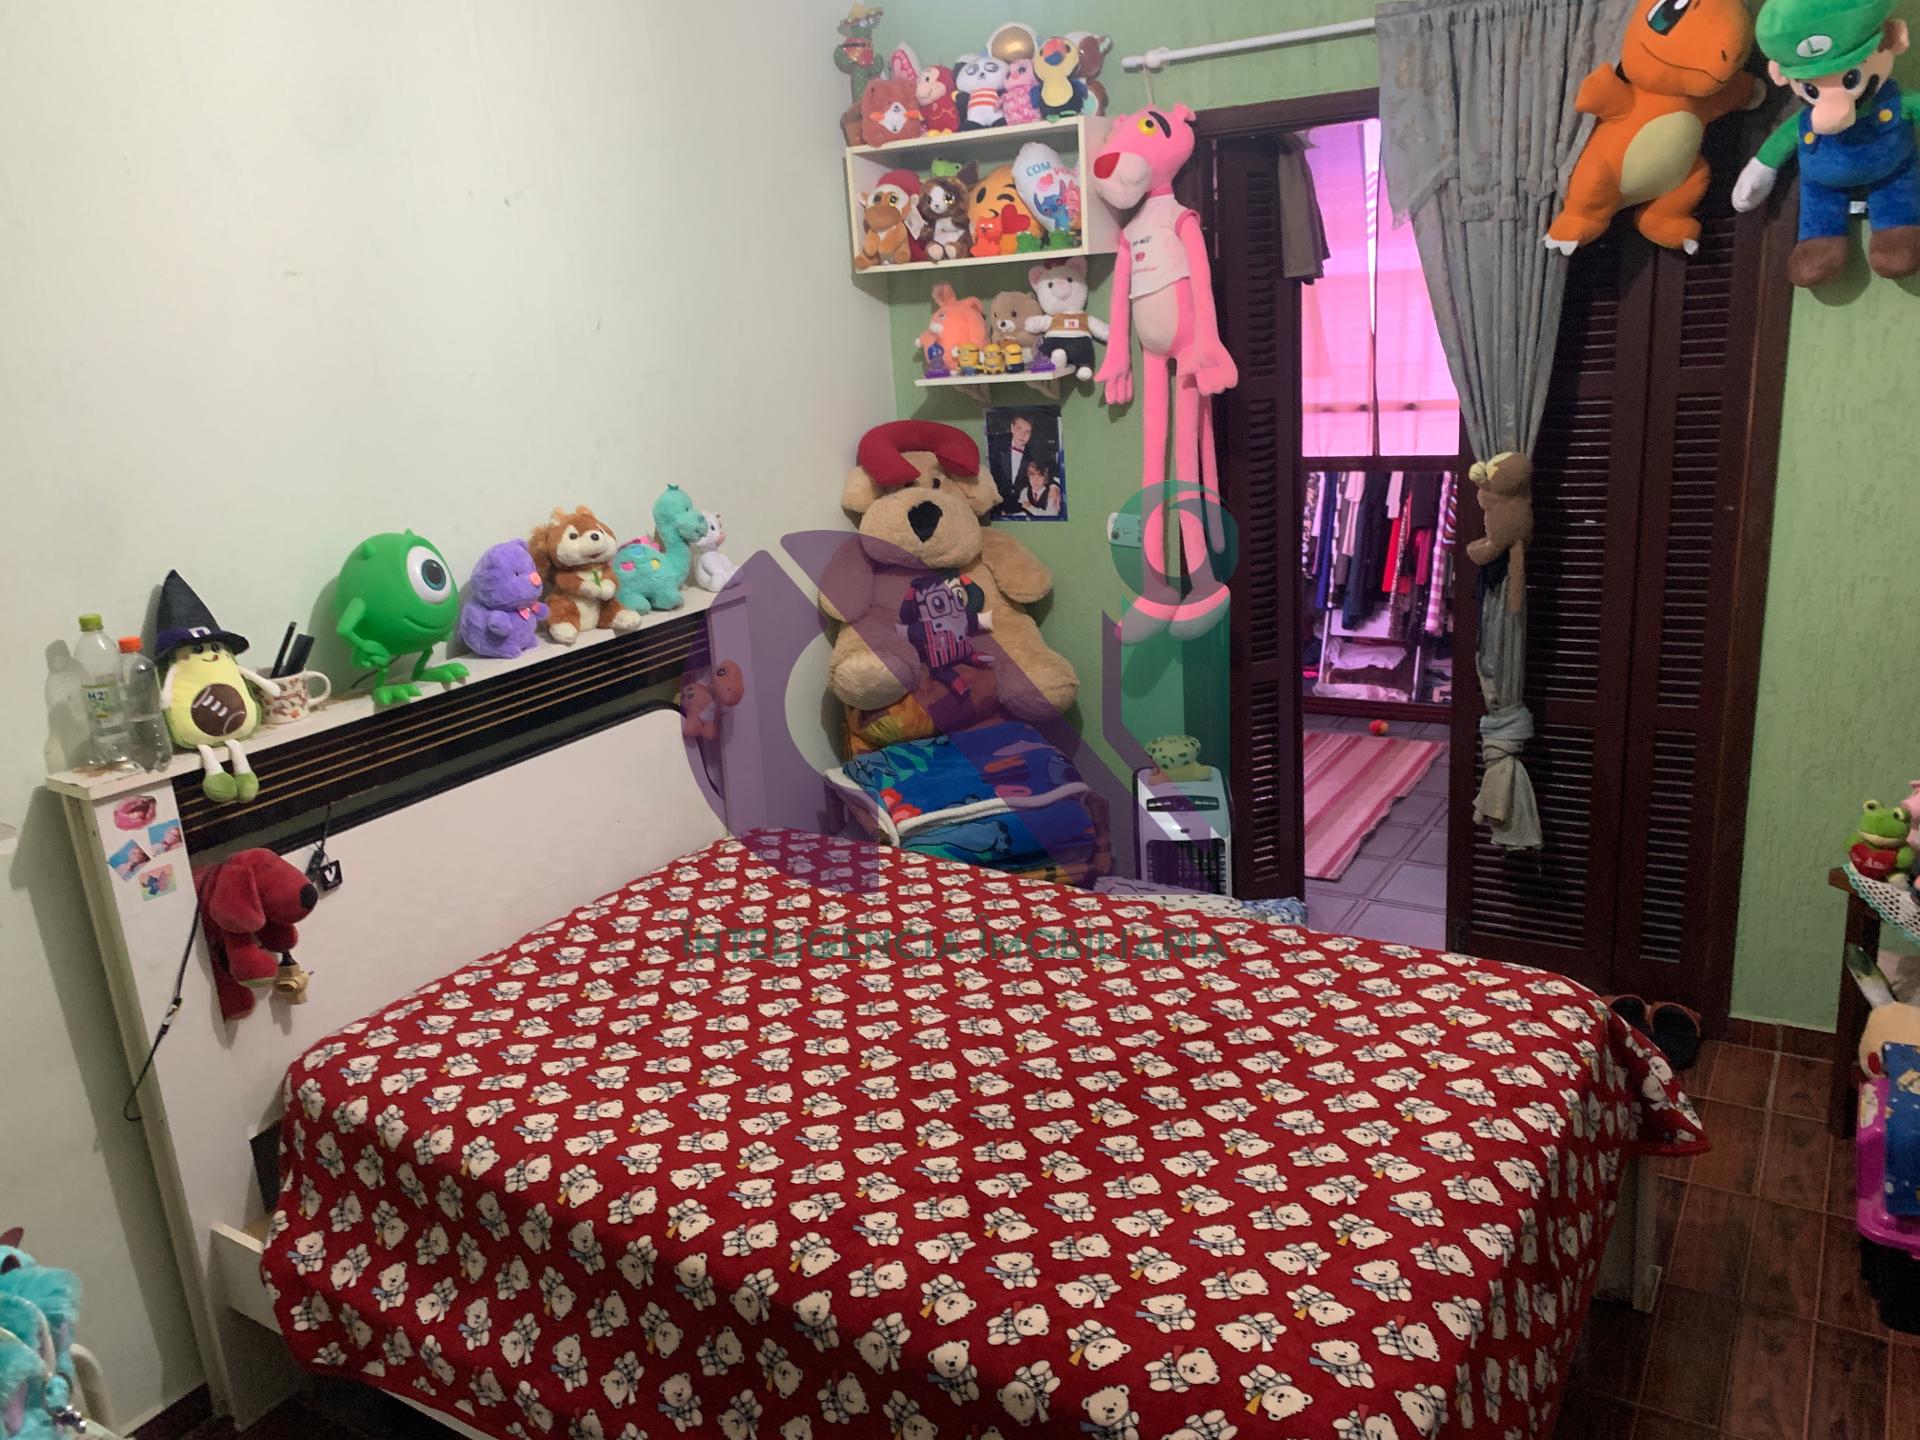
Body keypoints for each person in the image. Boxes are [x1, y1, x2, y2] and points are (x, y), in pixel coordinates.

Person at [987, 413, 1036, 511]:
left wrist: (1053, 486)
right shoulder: (997, 445)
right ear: (1012, 428)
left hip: (1020, 506)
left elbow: (1047, 470)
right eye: (1019, 429)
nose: (1022, 435)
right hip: (994, 504)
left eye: (1027, 432)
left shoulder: (1033, 453)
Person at [1017, 448, 1063, 518]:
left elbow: (1051, 515)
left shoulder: (1051, 493)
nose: (1035, 480)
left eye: (1040, 476)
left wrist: (1030, 507)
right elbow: (1021, 510)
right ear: (1028, 477)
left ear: (1045, 479)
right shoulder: (1025, 491)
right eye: (1032, 476)